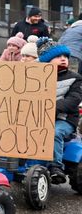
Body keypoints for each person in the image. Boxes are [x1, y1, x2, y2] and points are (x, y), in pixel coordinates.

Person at [37, 38, 82, 184]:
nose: (63, 59)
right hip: (39, 116)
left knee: (54, 132)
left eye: (65, 57)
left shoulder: (75, 78)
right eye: (58, 56)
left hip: (64, 119)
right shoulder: (37, 77)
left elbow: (74, 99)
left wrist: (53, 108)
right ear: (46, 60)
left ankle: (56, 167)